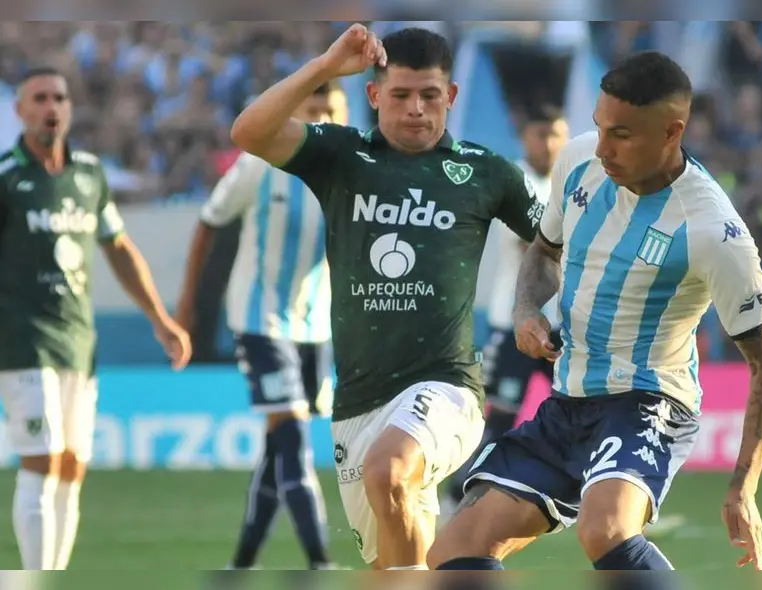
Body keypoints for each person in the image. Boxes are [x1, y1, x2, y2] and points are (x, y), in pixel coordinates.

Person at [428, 51, 762, 573]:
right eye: (600, 127)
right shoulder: (579, 161)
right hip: (567, 402)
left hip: (647, 401)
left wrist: (744, 486)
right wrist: (527, 308)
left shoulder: (713, 231)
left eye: (621, 135)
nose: (602, 148)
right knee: (452, 552)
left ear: (671, 132)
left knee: (605, 528)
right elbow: (544, 250)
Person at [229, 24, 545, 570]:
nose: (416, 109)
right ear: (374, 95)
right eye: (400, 95)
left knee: (389, 471)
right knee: (393, 565)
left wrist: (529, 307)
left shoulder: (487, 171)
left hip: (446, 386)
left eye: (429, 95)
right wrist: (327, 66)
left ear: (451, 96)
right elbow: (249, 132)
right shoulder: (341, 155)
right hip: (357, 402)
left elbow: (555, 245)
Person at [0, 66, 191, 570]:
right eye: (40, 98)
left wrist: (160, 318)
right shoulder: (7, 177)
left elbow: (118, 247)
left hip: (78, 339)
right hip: (22, 339)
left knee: (71, 468)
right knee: (41, 458)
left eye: (59, 98)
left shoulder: (88, 174)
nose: (51, 107)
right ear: (20, 110)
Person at [177, 82, 349, 570]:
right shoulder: (261, 164)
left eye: (331, 111)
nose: (322, 120)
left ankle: (242, 565)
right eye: (313, 110)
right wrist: (188, 303)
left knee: (278, 449)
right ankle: (320, 563)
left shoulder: (349, 171)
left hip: (315, 328)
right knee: (292, 439)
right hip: (259, 320)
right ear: (295, 114)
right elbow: (210, 220)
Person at [442, 104, 568, 514]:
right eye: (541, 134)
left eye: (556, 134)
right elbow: (538, 244)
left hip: (562, 329)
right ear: (524, 137)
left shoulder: (570, 184)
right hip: (514, 325)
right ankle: (458, 493)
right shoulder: (516, 181)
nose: (549, 144)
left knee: (581, 414)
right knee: (500, 420)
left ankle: (596, 498)